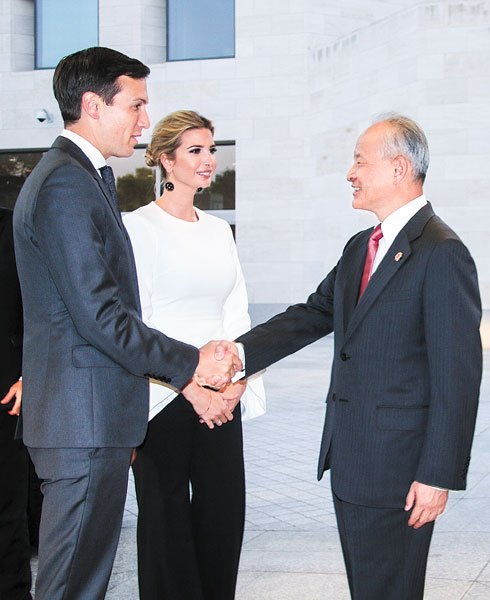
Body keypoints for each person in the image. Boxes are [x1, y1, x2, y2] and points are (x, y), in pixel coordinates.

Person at [12, 47, 241, 600]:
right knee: (72, 584)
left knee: (81, 581)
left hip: (91, 421)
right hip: (83, 422)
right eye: (135, 105)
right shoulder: (66, 183)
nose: (144, 119)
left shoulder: (82, 178)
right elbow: (100, 314)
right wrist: (191, 363)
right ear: (93, 105)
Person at [235, 114, 482, 599]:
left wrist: (437, 475)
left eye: (359, 162)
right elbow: (312, 314)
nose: (350, 173)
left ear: (398, 168)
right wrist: (238, 353)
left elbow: (457, 377)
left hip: (400, 472)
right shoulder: (359, 248)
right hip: (352, 463)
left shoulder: (442, 252)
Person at [123, 110, 265, 600]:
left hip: (222, 397)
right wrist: (188, 385)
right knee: (165, 525)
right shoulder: (136, 228)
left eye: (212, 150)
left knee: (223, 515)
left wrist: (238, 384)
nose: (209, 160)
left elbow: (236, 312)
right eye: (196, 150)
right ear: (166, 160)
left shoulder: (219, 231)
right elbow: (136, 322)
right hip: (162, 396)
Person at [0, 207, 31, 599]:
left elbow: (38, 306)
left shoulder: (12, 227)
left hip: (6, 394)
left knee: (7, 510)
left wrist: (28, 374)